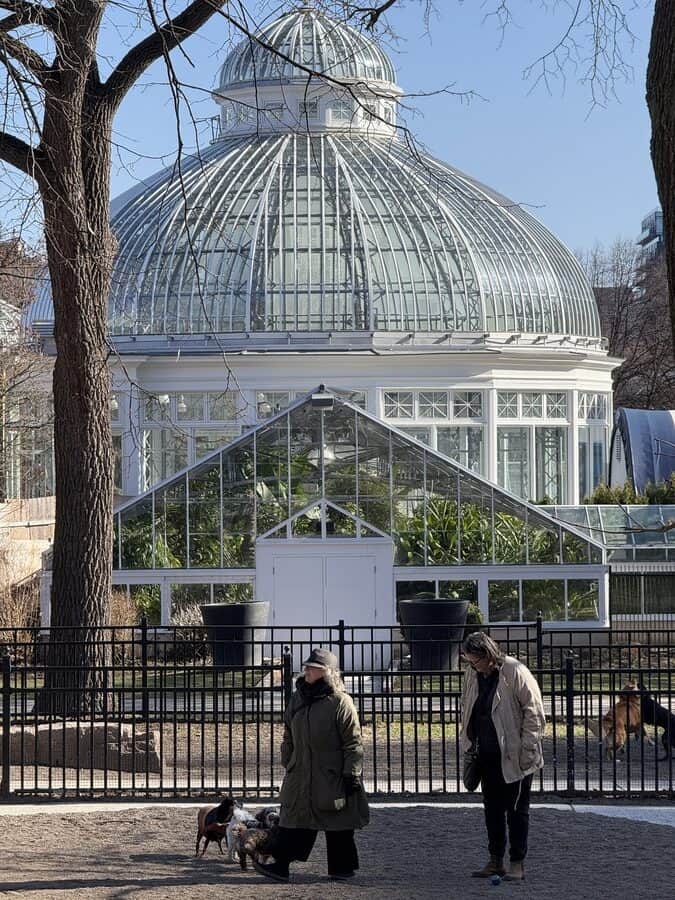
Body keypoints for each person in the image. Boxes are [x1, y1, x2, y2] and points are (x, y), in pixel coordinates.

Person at [254, 648, 369, 883]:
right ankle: (281, 865)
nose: (306, 670)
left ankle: (341, 868)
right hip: (301, 772)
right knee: (294, 820)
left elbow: (353, 742)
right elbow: (288, 732)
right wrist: (289, 759)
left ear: (326, 672)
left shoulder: (340, 702)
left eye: (312, 667)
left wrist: (351, 774)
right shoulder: (298, 698)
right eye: (306, 666)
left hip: (331, 775)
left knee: (338, 823)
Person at [459, 632, 545, 883]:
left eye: (475, 661)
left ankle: (517, 862)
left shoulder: (515, 672)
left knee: (517, 810)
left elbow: (534, 713)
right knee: (492, 810)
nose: (472, 666)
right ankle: (496, 860)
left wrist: (527, 749)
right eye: (469, 662)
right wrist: (468, 742)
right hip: (486, 754)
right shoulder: (472, 675)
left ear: (487, 655)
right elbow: (468, 707)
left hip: (515, 755)